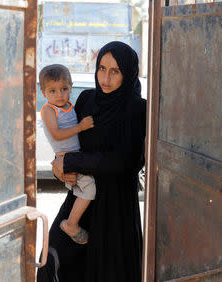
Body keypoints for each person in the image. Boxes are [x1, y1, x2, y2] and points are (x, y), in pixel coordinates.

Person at [37, 41, 146, 282]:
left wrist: (72, 162)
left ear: (127, 73)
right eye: (102, 69)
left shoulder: (137, 109)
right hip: (81, 201)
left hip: (115, 209)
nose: (106, 77)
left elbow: (126, 161)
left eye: (115, 71)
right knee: (52, 261)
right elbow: (68, 142)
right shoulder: (86, 99)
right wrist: (60, 168)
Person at [39, 64, 96, 244]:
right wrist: (80, 126)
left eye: (64, 89)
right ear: (43, 93)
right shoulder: (49, 110)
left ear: (71, 86)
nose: (59, 95)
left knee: (82, 191)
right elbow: (56, 133)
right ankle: (71, 223)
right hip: (66, 158)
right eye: (53, 91)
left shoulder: (70, 105)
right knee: (90, 189)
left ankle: (74, 222)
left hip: (74, 157)